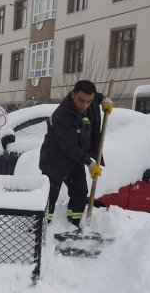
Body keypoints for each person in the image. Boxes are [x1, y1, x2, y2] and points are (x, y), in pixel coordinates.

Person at [39, 80, 114, 228]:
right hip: (55, 160)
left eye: (89, 101)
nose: (85, 105)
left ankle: (73, 224)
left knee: (80, 192)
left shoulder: (90, 100)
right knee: (50, 197)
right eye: (81, 100)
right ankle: (43, 228)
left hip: (75, 159)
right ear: (73, 94)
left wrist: (104, 99)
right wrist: (90, 163)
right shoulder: (63, 115)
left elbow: (97, 97)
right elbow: (69, 147)